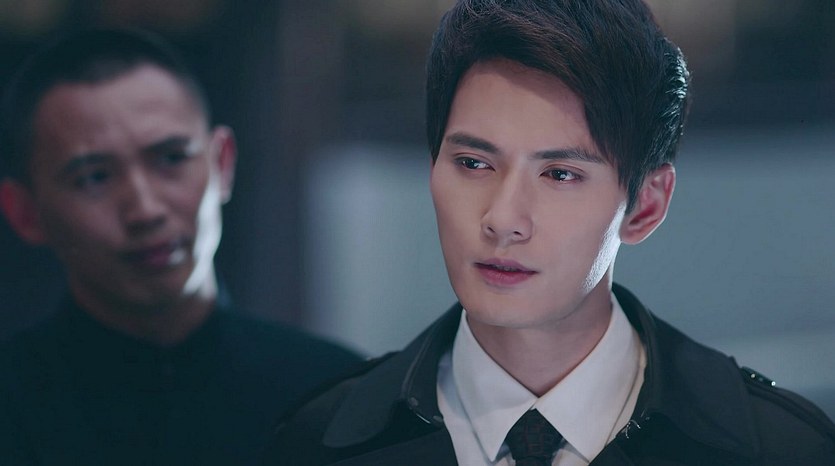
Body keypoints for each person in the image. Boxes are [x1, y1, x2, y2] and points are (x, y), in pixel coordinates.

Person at [262, 0, 835, 464]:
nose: (502, 219)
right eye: (473, 163)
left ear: (645, 206)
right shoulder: (318, 442)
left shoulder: (777, 449)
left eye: (560, 174)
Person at [0, 28, 362, 466]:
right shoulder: (12, 410)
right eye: (94, 177)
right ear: (25, 213)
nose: (145, 210)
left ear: (222, 163)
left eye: (171, 158)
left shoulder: (338, 396)